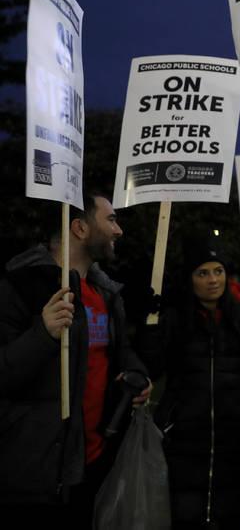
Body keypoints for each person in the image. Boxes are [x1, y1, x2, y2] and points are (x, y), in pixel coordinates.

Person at [0, 191, 150, 526]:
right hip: (35, 475)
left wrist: (137, 375)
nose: (119, 230)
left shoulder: (106, 294)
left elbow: (117, 353)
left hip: (93, 465)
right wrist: (42, 334)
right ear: (80, 228)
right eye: (110, 219)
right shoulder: (20, 286)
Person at [138, 237, 240, 529]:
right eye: (203, 273)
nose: (213, 280)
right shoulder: (174, 318)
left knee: (235, 517)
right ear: (190, 279)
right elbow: (152, 368)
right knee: (187, 518)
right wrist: (150, 327)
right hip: (185, 444)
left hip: (235, 443)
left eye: (218, 271)